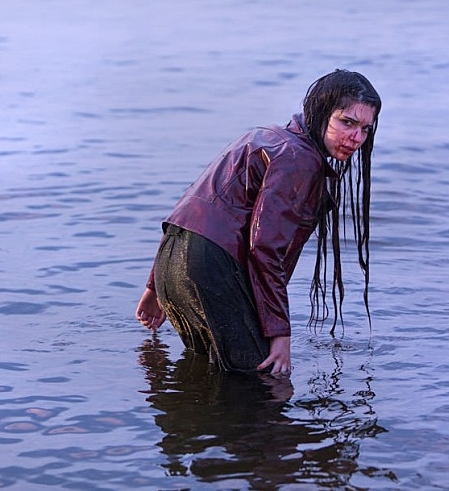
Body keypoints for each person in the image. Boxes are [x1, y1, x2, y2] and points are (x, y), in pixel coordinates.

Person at [135, 69, 381, 376]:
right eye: (347, 122)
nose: (356, 138)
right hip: (209, 267)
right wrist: (280, 334)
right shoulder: (298, 158)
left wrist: (155, 286)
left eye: (365, 129)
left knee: (206, 375)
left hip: (172, 262)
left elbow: (190, 210)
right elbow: (265, 249)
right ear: (320, 112)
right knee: (261, 382)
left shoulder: (265, 136)